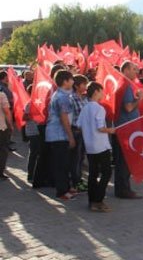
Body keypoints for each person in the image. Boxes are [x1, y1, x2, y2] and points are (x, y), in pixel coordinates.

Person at [77, 82, 115, 212]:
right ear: (96, 92)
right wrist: (110, 130)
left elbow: (79, 124)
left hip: (90, 145)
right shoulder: (99, 108)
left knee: (93, 174)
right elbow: (100, 127)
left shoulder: (85, 107)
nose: (103, 94)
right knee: (106, 172)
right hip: (100, 145)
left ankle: (92, 201)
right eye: (102, 91)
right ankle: (98, 200)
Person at [113, 61, 143, 199]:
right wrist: (139, 100)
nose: (136, 72)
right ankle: (123, 190)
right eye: (133, 69)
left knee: (123, 161)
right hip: (126, 128)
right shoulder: (125, 85)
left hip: (125, 127)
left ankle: (123, 188)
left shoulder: (124, 84)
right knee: (124, 162)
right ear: (125, 70)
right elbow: (129, 107)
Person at [45, 70, 76, 200]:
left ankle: (66, 187)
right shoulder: (62, 97)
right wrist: (71, 137)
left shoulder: (59, 94)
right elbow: (64, 119)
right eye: (71, 79)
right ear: (65, 81)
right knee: (61, 164)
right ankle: (62, 192)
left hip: (58, 134)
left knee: (64, 162)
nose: (73, 82)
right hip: (58, 134)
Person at [70, 74, 89, 192]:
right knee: (75, 158)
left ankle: (78, 178)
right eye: (84, 84)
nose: (85, 86)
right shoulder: (72, 98)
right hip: (76, 131)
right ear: (77, 86)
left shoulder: (83, 97)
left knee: (80, 157)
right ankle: (75, 181)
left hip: (83, 132)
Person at [23, 85, 41, 183]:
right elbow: (24, 117)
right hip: (33, 131)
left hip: (40, 131)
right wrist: (35, 115)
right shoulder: (29, 104)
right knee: (34, 153)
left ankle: (37, 174)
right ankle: (30, 175)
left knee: (38, 153)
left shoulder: (40, 103)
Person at [0, 89, 13, 180]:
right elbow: (6, 111)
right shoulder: (1, 95)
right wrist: (10, 125)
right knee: (3, 149)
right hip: (1, 127)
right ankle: (0, 171)